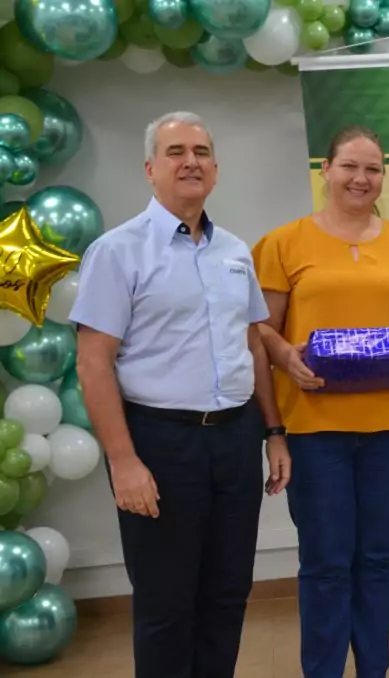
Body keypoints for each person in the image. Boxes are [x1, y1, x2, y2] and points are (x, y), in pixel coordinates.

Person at [71, 111, 291, 678]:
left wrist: (273, 432)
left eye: (201, 152)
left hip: (235, 440)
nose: (191, 161)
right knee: (166, 604)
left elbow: (252, 346)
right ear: (150, 169)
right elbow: (93, 363)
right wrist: (123, 462)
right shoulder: (117, 252)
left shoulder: (234, 252)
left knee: (227, 593)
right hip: (160, 444)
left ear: (215, 169)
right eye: (176, 152)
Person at [251, 125, 389, 678]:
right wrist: (286, 356)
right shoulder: (283, 243)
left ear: (383, 176)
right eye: (350, 167)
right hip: (314, 431)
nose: (362, 178)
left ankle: (374, 670)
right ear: (327, 171)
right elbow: (259, 330)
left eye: (373, 169)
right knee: (327, 563)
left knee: (378, 560)